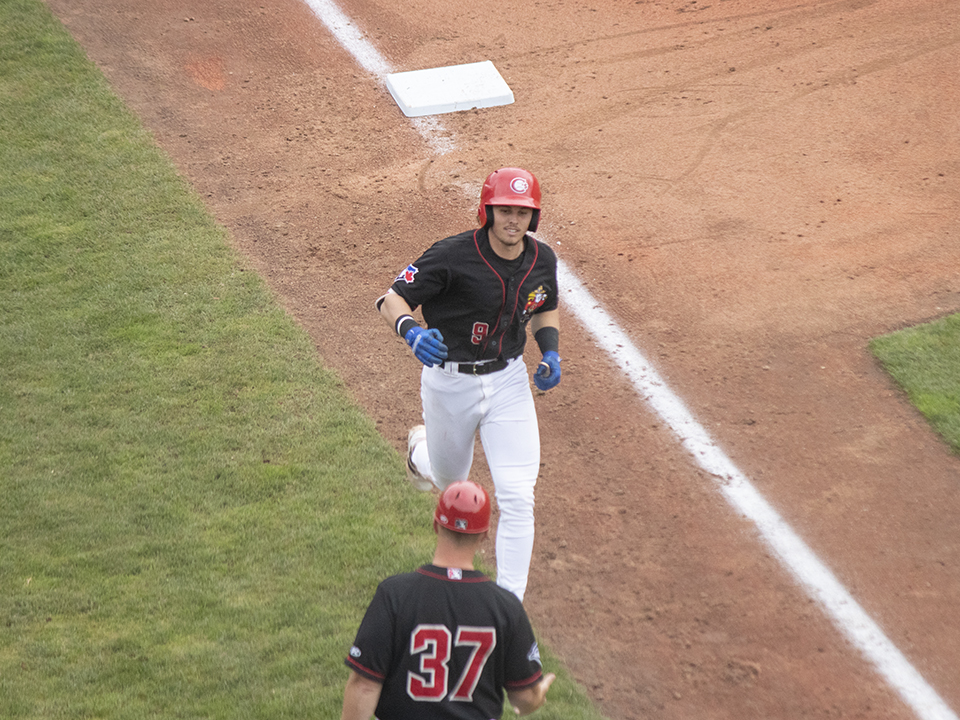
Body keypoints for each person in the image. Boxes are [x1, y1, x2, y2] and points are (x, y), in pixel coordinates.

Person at [376, 167, 561, 602]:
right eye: (504, 211)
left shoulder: (542, 260)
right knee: (450, 483)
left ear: (532, 217)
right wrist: (411, 331)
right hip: (449, 384)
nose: (513, 220)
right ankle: (420, 453)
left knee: (517, 496)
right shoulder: (452, 256)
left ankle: (510, 607)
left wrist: (550, 350)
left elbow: (544, 306)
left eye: (522, 212)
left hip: (509, 381)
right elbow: (391, 298)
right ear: (488, 210)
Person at [341, 481, 556, 720]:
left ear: (435, 524)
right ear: (484, 535)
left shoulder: (394, 594)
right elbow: (524, 699)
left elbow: (364, 685)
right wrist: (538, 696)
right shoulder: (505, 607)